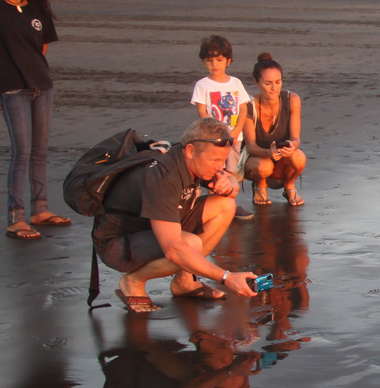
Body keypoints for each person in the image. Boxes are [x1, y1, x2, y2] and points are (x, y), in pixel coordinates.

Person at [94, 117, 259, 312]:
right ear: (190, 150)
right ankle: (133, 282)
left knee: (225, 205)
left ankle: (184, 280)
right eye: (215, 160)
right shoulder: (164, 175)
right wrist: (226, 277)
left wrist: (230, 184)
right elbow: (173, 248)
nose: (220, 167)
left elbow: (229, 187)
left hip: (152, 227)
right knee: (189, 245)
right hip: (117, 243)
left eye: (223, 160)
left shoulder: (193, 159)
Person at [0, 0, 70, 240]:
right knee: (22, 152)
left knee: (39, 152)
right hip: (11, 88)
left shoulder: (37, 11)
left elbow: (40, 49)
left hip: (42, 86)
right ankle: (16, 217)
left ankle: (40, 209)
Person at [189, 35, 252, 220]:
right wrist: (214, 133)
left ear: (228, 61)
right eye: (209, 61)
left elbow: (243, 107)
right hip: (213, 139)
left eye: (219, 60)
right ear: (203, 62)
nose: (214, 64)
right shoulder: (202, 85)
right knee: (214, 171)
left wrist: (237, 129)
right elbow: (202, 111)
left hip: (233, 137)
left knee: (230, 171)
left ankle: (230, 203)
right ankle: (213, 204)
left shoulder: (235, 83)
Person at [241, 52, 305, 207]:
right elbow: (250, 146)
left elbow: (296, 138)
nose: (274, 88)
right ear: (256, 82)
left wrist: (291, 147)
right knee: (264, 166)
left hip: (281, 161)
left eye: (278, 82)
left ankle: (289, 186)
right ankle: (260, 185)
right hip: (256, 161)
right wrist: (267, 153)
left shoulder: (292, 100)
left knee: (299, 157)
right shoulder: (248, 105)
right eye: (268, 83)